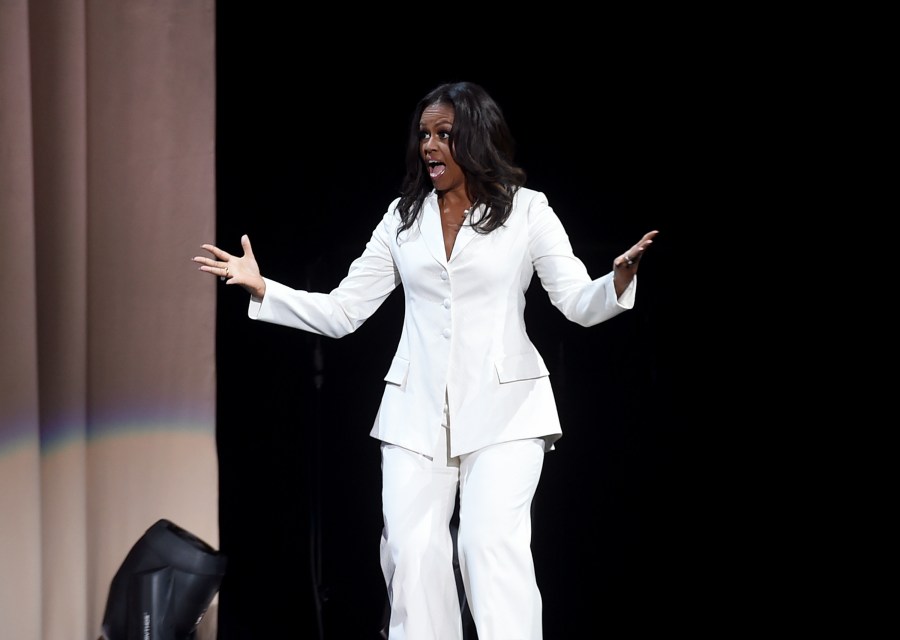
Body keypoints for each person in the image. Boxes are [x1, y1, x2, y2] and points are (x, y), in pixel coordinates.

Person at [193, 80, 658, 640]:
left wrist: (617, 279)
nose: (430, 147)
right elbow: (344, 311)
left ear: (477, 139)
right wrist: (263, 288)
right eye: (424, 135)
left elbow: (577, 302)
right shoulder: (402, 219)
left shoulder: (527, 211)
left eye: (444, 134)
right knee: (412, 557)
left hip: (507, 409)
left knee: (487, 546)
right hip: (416, 413)